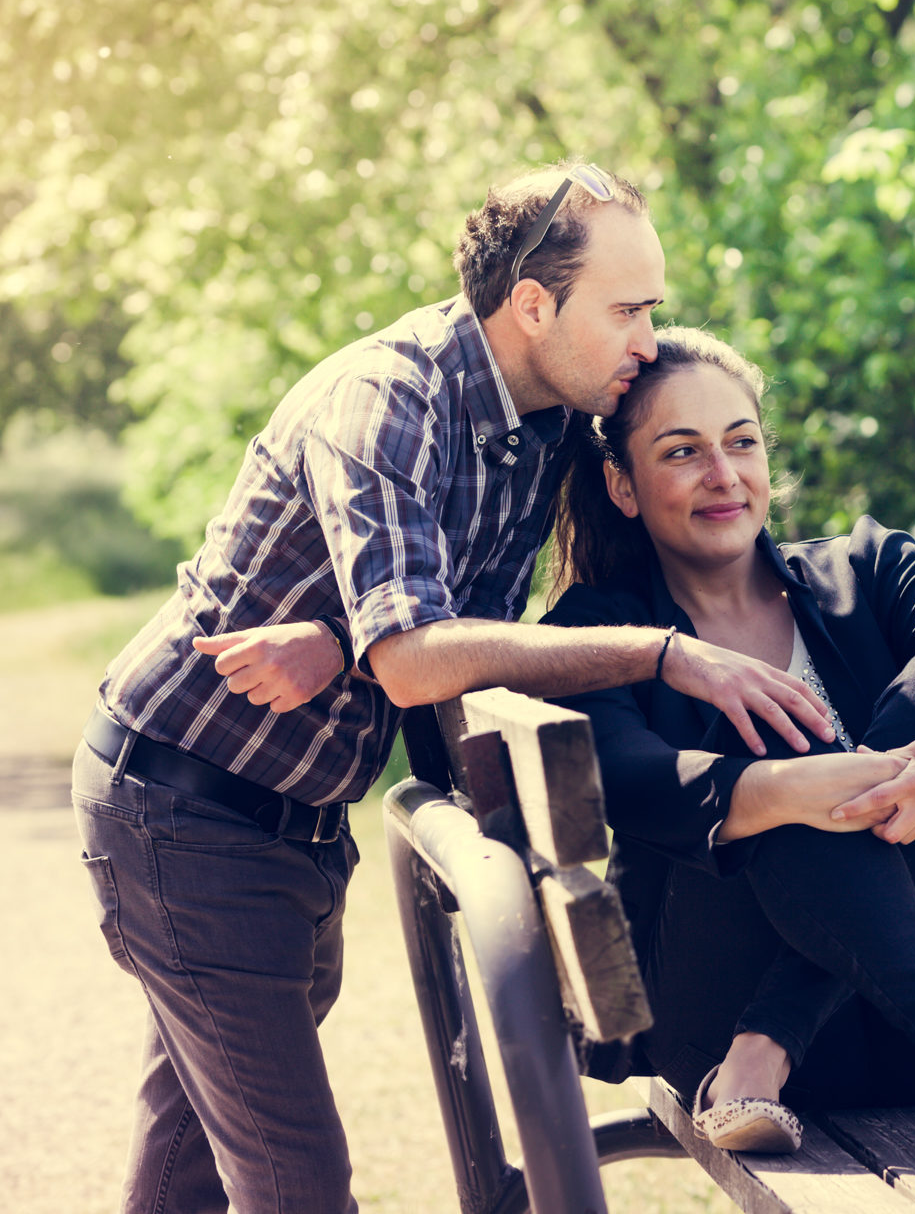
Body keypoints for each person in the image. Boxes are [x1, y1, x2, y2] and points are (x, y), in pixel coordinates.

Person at [71, 163, 836, 1214]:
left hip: (290, 819)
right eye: (628, 308)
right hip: (183, 805)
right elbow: (416, 657)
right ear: (533, 304)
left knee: (188, 1162)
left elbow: (444, 630)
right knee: (295, 1181)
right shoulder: (389, 398)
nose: (648, 338)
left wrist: (341, 637)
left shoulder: (551, 421)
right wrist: (662, 651)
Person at [539, 326, 915, 1174]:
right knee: (752, 738)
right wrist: (790, 789)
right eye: (682, 452)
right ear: (622, 484)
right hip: (712, 1014)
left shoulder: (870, 567)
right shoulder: (598, 632)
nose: (724, 476)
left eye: (741, 443)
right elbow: (629, 779)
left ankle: (775, 1037)